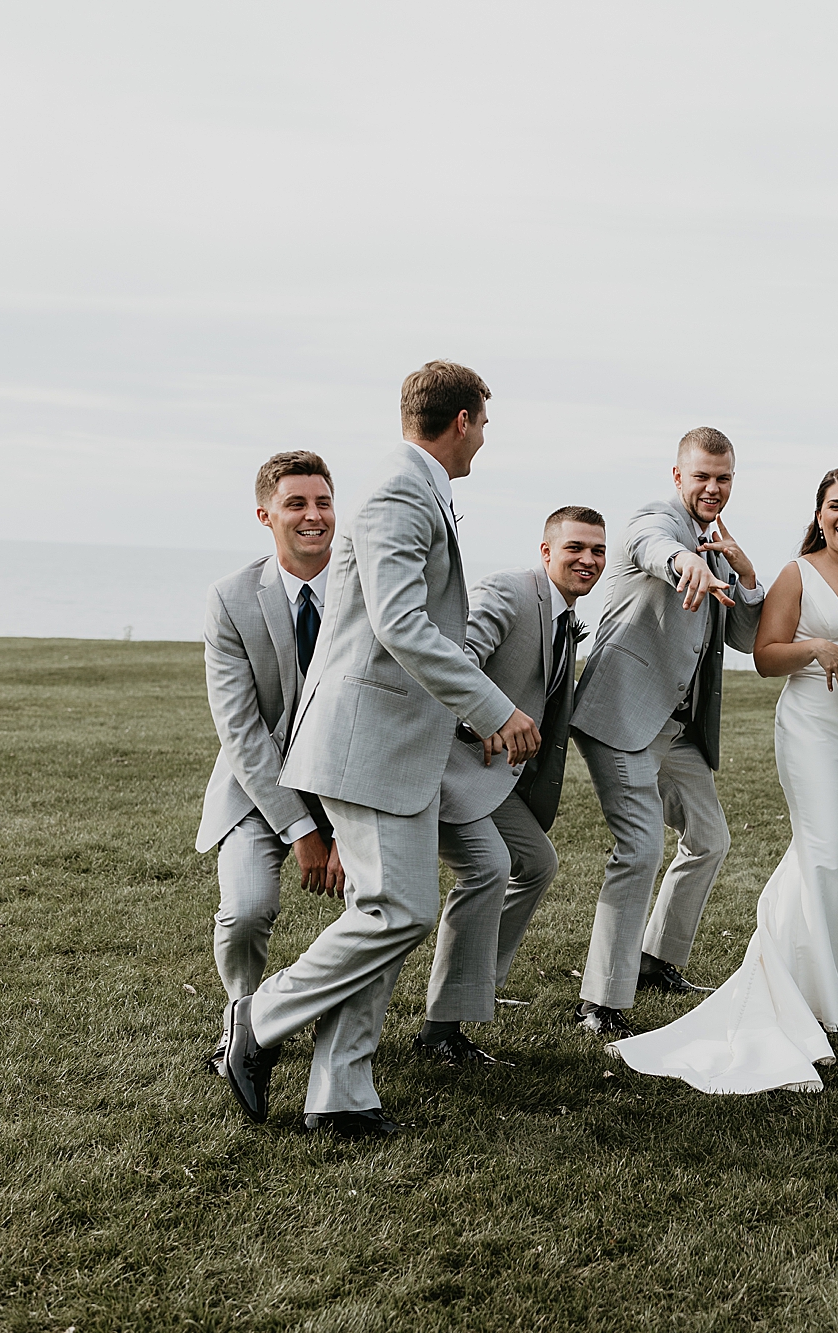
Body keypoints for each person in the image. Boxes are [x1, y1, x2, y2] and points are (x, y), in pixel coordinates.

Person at [221, 361, 540, 1138]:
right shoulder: (401, 487)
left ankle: (340, 1092)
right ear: (461, 421)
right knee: (400, 907)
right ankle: (258, 1020)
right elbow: (401, 624)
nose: (485, 439)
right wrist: (492, 707)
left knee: (382, 907)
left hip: (398, 744)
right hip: (367, 740)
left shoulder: (419, 485)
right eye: (485, 424)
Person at [608, 468, 838, 1093]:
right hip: (813, 727)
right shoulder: (798, 573)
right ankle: (798, 987)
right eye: (834, 506)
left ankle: (826, 982)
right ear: (819, 515)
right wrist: (819, 649)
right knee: (823, 848)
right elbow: (767, 655)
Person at [567, 428, 766, 1037]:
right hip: (622, 719)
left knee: (709, 839)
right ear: (678, 477)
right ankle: (600, 1003)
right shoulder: (660, 523)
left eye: (723, 477)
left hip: (677, 731)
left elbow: (743, 637)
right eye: (701, 476)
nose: (713, 487)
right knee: (640, 849)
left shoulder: (714, 543)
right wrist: (685, 561)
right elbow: (649, 542)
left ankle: (657, 961)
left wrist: (744, 573)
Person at [416, 507, 607, 1065]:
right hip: (449, 764)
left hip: (493, 778)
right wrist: (492, 717)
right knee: (492, 867)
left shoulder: (565, 613)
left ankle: (470, 988)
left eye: (597, 551)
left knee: (538, 863)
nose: (587, 560)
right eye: (575, 548)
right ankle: (441, 1030)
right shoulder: (508, 591)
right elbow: (454, 659)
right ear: (546, 552)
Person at [194, 451, 346, 1074]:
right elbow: (241, 731)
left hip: (351, 781)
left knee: (379, 909)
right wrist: (302, 830)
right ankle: (244, 1023)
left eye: (324, 502)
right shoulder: (231, 599)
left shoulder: (365, 589)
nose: (314, 516)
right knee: (247, 909)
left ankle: (338, 1040)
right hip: (259, 787)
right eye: (296, 504)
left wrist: (342, 823)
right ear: (266, 515)